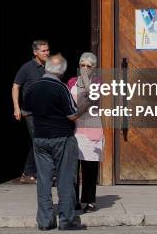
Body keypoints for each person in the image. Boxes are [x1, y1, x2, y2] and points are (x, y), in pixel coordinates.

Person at [23, 54, 87, 231]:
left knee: (43, 181)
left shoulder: (32, 88)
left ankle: (45, 221)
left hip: (40, 139)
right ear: (63, 71)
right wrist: (85, 105)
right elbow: (72, 115)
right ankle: (67, 221)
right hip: (62, 138)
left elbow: (26, 112)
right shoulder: (61, 88)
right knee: (65, 180)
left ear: (46, 68)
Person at [67, 52, 104, 213]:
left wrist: (86, 82)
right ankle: (73, 199)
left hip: (91, 128)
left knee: (90, 167)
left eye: (89, 66)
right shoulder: (72, 82)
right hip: (74, 129)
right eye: (82, 65)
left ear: (94, 69)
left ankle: (89, 201)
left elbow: (92, 99)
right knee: (73, 167)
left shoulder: (98, 83)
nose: (85, 68)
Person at [12, 40, 50, 183]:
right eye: (43, 51)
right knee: (39, 140)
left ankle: (28, 173)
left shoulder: (49, 67)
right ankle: (37, 173)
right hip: (30, 112)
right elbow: (16, 86)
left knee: (39, 141)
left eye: (47, 50)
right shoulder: (27, 68)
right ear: (35, 52)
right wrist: (16, 107)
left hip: (46, 112)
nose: (47, 53)